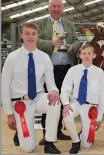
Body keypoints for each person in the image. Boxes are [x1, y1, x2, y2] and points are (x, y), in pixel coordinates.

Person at [1, 22, 61, 154]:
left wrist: (54, 91)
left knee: (55, 101)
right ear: (21, 35)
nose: (30, 37)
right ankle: (21, 129)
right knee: (28, 148)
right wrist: (9, 114)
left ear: (37, 36)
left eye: (33, 34)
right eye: (27, 33)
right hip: (20, 103)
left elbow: (51, 83)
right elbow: (4, 87)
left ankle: (49, 142)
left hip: (38, 97)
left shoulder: (44, 58)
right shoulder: (12, 58)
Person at [36, 0, 82, 145]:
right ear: (48, 8)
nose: (56, 9)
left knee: (64, 100)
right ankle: (46, 133)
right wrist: (52, 42)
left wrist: (71, 47)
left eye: (59, 6)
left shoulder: (69, 24)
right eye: (53, 6)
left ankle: (58, 131)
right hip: (48, 69)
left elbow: (76, 41)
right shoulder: (40, 24)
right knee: (48, 99)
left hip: (67, 68)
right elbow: (35, 40)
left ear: (63, 8)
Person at [60, 43, 104, 154]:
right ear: (80, 56)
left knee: (87, 145)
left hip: (90, 107)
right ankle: (75, 141)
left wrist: (99, 117)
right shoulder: (73, 70)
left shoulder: (99, 72)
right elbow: (65, 89)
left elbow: (102, 96)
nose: (86, 56)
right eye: (84, 53)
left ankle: (82, 136)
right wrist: (66, 104)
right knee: (67, 115)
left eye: (89, 53)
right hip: (75, 103)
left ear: (94, 56)